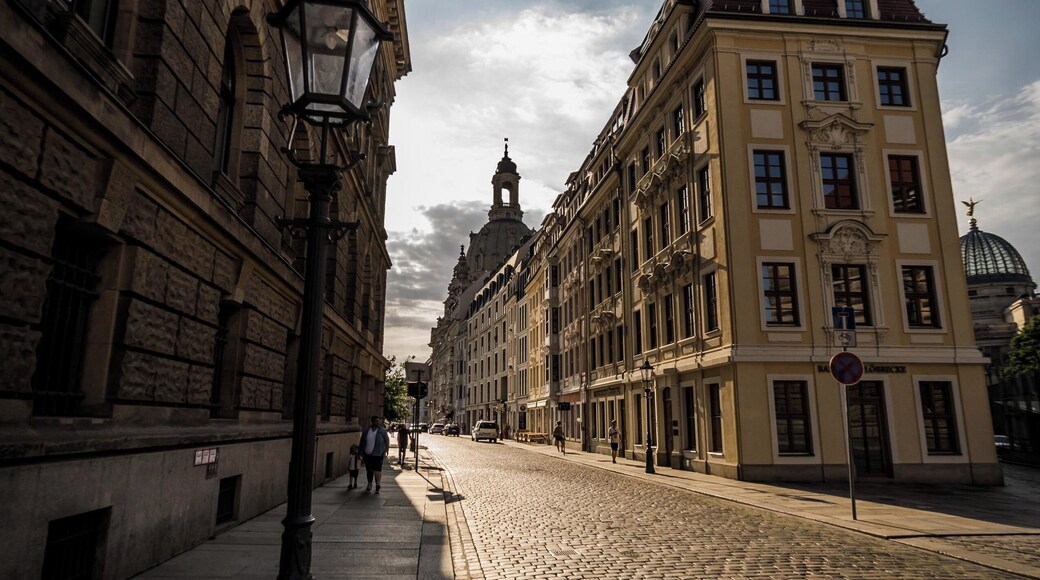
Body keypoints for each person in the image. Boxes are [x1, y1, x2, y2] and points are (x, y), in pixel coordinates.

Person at [359, 416, 390, 493]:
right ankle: (369, 484)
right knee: (369, 470)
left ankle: (378, 484)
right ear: (372, 421)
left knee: (377, 470)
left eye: (378, 421)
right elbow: (362, 441)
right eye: (376, 421)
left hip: (378, 453)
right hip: (367, 454)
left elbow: (386, 441)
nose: (378, 422)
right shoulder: (366, 431)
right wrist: (360, 451)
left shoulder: (382, 431)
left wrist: (386, 450)